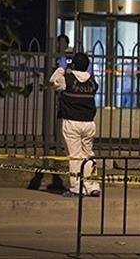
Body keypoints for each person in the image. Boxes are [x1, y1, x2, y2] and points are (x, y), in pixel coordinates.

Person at [49, 52, 101, 197]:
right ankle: (92, 186)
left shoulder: (68, 80)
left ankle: (77, 188)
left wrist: (61, 68)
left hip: (72, 122)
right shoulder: (92, 82)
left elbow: (53, 82)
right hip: (89, 123)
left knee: (75, 156)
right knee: (88, 155)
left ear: (73, 65)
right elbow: (91, 82)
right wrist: (88, 72)